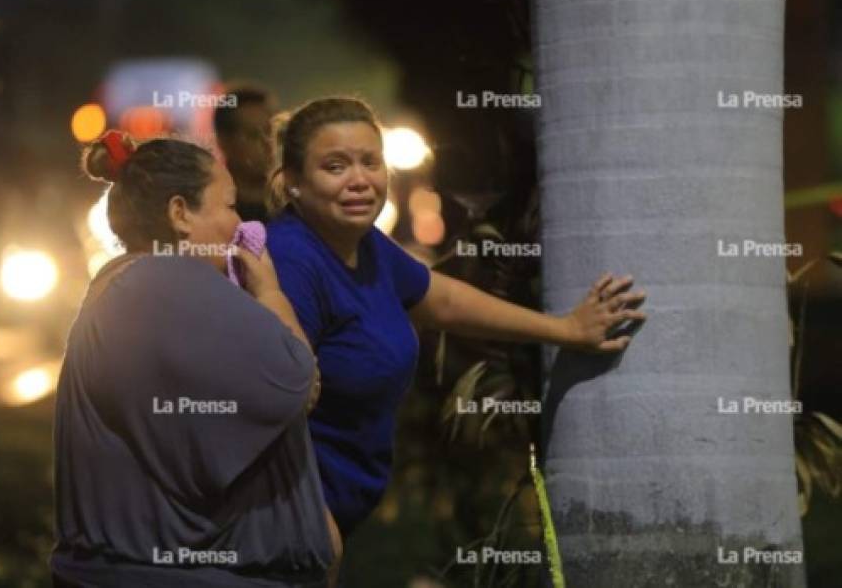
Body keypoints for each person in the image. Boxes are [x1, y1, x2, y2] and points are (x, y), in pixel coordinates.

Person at [265, 97, 648, 538]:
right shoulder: (291, 258)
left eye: (370, 163)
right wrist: (305, 520)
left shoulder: (365, 244)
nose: (359, 181)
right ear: (293, 182)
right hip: (288, 513)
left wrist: (566, 329)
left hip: (327, 512)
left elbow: (443, 300)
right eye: (335, 167)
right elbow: (276, 400)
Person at [52, 132, 341, 587]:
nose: (241, 224)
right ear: (180, 214)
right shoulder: (169, 282)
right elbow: (298, 382)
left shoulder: (131, 282)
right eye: (228, 206)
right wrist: (268, 290)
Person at [213, 83, 278, 222]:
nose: (268, 144)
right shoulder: (209, 212)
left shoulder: (299, 205)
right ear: (224, 141)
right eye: (253, 135)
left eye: (271, 132)